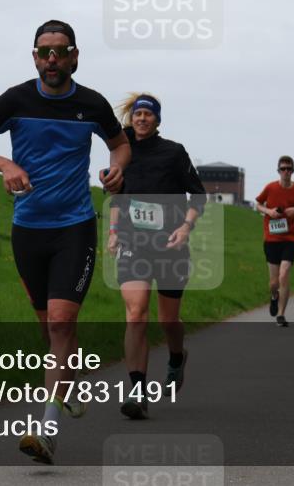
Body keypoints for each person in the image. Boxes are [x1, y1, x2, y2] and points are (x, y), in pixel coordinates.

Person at [0, 20, 130, 464]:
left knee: (59, 322)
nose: (51, 60)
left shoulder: (91, 104)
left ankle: (47, 429)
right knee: (49, 327)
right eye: (43, 52)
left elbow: (120, 144)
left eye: (60, 51)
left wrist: (117, 169)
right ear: (34, 57)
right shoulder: (16, 100)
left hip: (75, 226)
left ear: (75, 56)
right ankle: (68, 378)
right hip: (28, 229)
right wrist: (4, 165)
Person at [106, 93, 206, 420]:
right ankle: (137, 392)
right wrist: (113, 230)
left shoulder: (173, 153)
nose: (143, 119)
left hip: (170, 246)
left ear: (158, 120)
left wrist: (186, 227)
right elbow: (118, 197)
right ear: (131, 118)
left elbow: (199, 195)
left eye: (149, 114)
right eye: (138, 114)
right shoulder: (122, 152)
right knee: (136, 314)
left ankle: (177, 355)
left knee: (168, 320)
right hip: (133, 243)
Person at [255, 155, 294, 327]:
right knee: (274, 282)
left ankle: (281, 314)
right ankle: (274, 296)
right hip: (272, 238)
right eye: (283, 169)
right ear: (278, 171)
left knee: (284, 274)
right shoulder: (270, 188)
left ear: (293, 171)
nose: (286, 172)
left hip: (290, 238)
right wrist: (269, 211)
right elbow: (257, 203)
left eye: (289, 169)